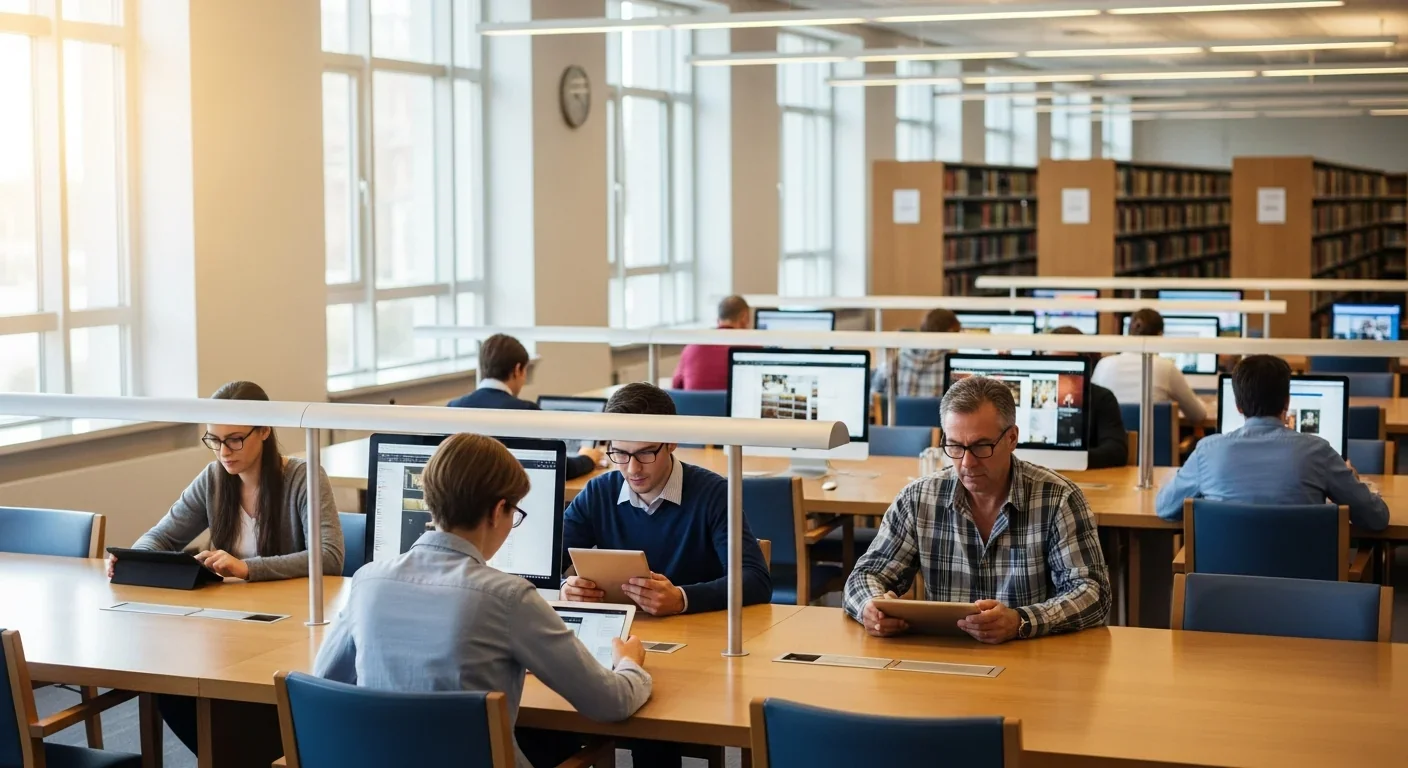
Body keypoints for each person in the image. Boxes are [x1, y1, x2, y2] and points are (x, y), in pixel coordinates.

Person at [314, 433, 651, 768]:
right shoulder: (509, 597)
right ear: (497, 511)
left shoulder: (367, 581)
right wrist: (629, 663)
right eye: (514, 514)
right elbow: (610, 702)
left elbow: (325, 683)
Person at [110, 380, 344, 756]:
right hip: (228, 628)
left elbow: (330, 557)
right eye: (214, 440)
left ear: (265, 430)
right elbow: (159, 537)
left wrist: (247, 569)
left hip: (290, 627)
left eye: (235, 439)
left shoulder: (302, 477)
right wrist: (136, 557)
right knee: (168, 688)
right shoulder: (213, 479)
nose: (224, 451)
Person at [843, 375, 1110, 643]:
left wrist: (1022, 620)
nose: (967, 462)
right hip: (944, 658)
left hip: (1029, 656)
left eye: (982, 446)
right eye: (955, 446)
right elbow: (865, 576)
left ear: (1012, 438)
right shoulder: (919, 498)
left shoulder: (1058, 499)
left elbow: (1092, 593)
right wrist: (870, 606)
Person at [561, 382, 772, 614]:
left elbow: (756, 581)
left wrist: (682, 599)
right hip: (621, 634)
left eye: (645, 452)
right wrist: (565, 588)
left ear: (671, 442)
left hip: (696, 634)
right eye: (620, 453)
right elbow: (541, 568)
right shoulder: (598, 493)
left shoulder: (714, 493)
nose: (632, 469)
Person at [1154, 355, 1389, 530]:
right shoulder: (1318, 452)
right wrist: (1355, 484)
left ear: (1237, 405)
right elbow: (1376, 518)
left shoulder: (1208, 451)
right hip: (1307, 590)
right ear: (1286, 402)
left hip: (1224, 589)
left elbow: (1165, 508)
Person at [448, 333, 602, 480]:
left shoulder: (452, 408)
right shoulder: (525, 413)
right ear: (517, 370)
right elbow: (557, 467)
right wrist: (588, 458)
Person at [1092, 308, 1207, 425]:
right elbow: (1198, 415)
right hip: (1154, 443)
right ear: (1160, 335)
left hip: (1111, 442)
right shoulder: (1166, 367)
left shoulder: (1104, 364)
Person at [1049, 326, 1129, 469]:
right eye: (1051, 361)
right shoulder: (1033, 396)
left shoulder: (1102, 398)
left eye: (1064, 362)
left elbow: (1116, 452)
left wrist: (1064, 458)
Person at [871, 308, 961, 398]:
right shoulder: (952, 367)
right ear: (950, 332)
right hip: (936, 412)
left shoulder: (895, 360)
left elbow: (874, 397)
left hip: (901, 412)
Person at [670, 295, 751, 391]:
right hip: (731, 405)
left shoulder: (692, 347)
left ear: (718, 319)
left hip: (694, 405)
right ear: (744, 317)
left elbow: (676, 385)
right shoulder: (750, 347)